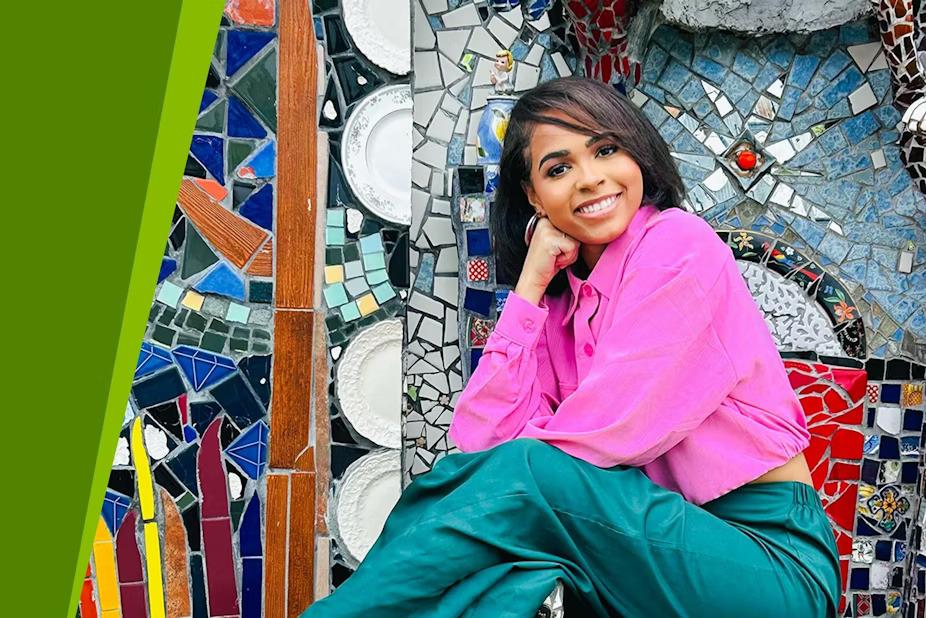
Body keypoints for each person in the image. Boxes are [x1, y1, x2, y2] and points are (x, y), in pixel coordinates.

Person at [302, 77, 842, 617]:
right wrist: (531, 285)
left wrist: (519, 472)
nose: (589, 179)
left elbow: (610, 433)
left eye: (606, 149)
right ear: (533, 195)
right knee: (504, 578)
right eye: (559, 169)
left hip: (767, 562)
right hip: (642, 550)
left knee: (521, 487)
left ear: (637, 155)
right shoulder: (558, 311)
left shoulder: (678, 247)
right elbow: (482, 445)